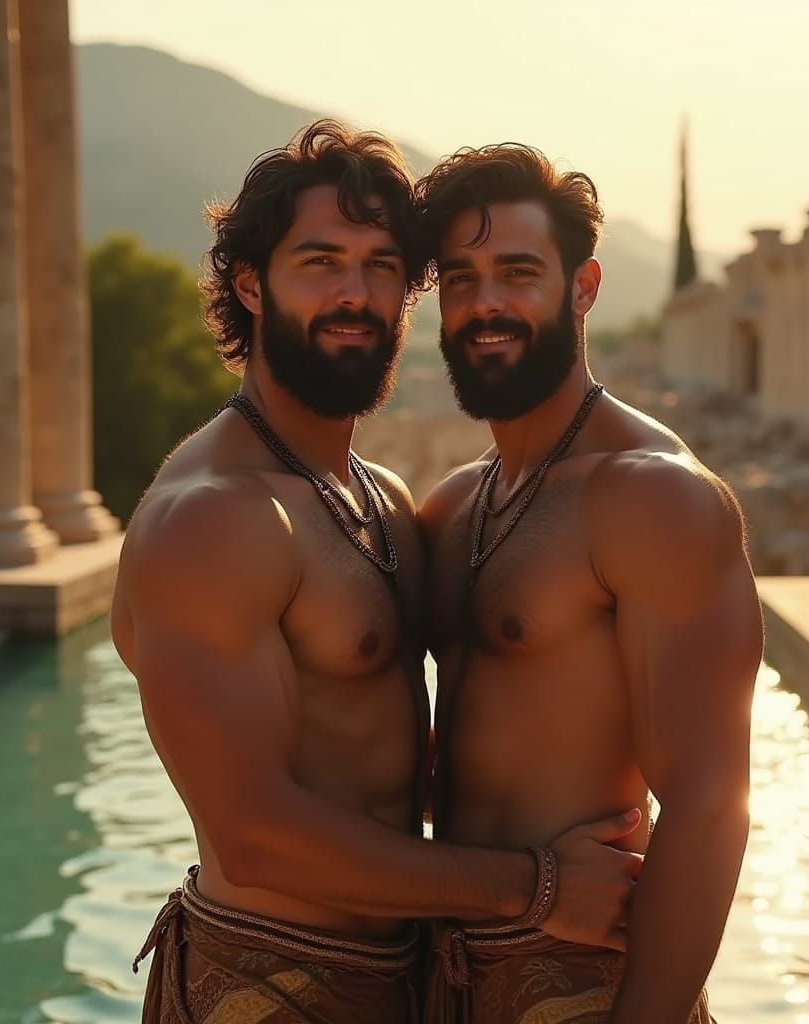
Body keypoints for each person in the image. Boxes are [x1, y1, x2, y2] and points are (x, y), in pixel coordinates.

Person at [112, 122, 643, 1024]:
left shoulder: (385, 501)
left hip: (418, 978)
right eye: (320, 261)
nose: (355, 294)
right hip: (268, 986)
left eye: (382, 265)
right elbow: (254, 837)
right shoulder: (211, 517)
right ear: (251, 283)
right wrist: (538, 886)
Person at [416, 144, 764, 1024]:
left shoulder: (651, 496)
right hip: (443, 976)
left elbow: (710, 804)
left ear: (584, 286)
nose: (485, 304)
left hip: (589, 982)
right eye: (460, 280)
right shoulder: (451, 509)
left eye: (518, 272)